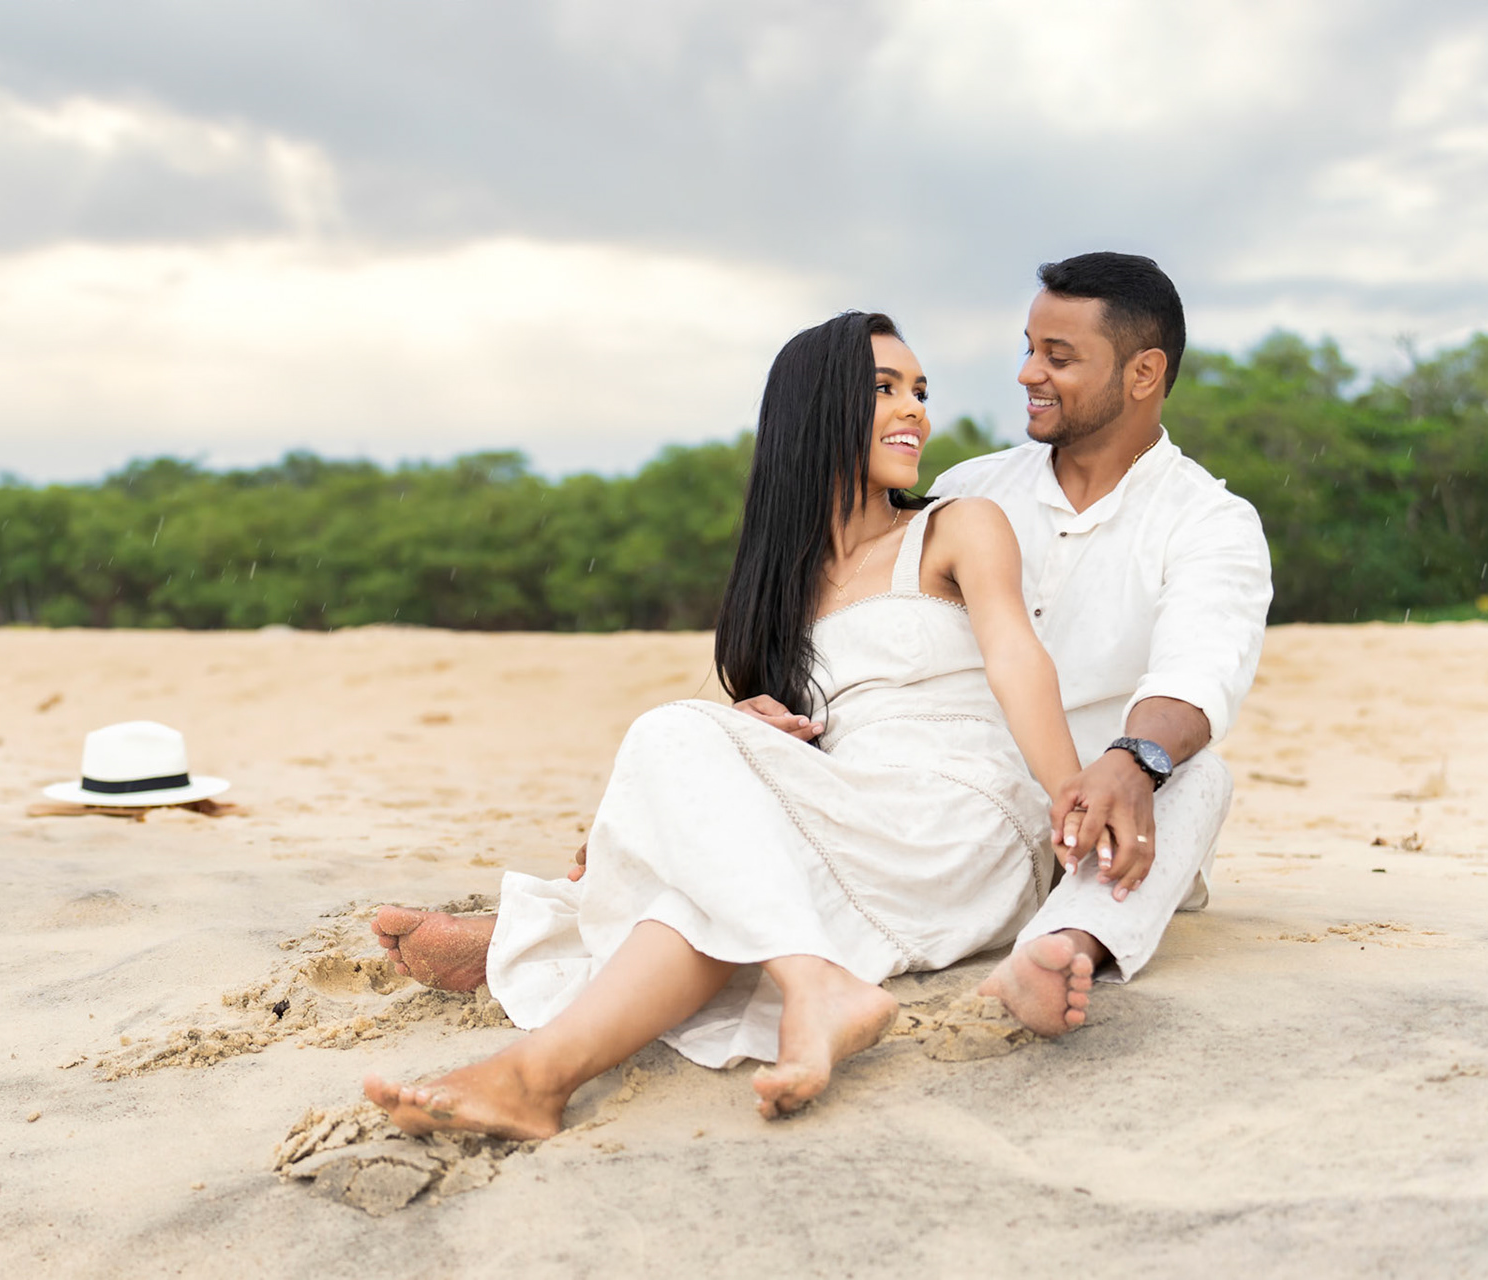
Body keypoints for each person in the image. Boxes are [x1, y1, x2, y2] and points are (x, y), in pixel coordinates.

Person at [376, 252, 1273, 1040]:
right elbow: (884, 665)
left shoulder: (1209, 522)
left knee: (1199, 774)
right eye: (1028, 349)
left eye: (1058, 357)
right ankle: (584, 924)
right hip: (901, 783)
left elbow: (1196, 673)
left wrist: (1126, 761)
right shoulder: (968, 492)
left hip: (1092, 802)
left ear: (1145, 372)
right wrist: (754, 729)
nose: (1026, 374)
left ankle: (1063, 943)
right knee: (699, 753)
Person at [364, 311, 1090, 1140]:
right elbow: (792, 756)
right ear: (815, 409)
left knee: (674, 735)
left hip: (961, 819)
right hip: (854, 817)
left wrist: (1068, 795)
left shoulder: (956, 525)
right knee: (706, 890)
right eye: (885, 389)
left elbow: (1016, 659)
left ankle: (572, 947)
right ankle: (534, 1080)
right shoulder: (774, 599)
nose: (915, 410)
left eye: (920, 391)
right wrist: (762, 734)